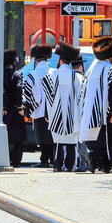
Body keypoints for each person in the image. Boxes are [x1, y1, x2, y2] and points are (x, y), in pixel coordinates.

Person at [80, 37, 112, 174]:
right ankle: (94, 157)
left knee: (98, 138)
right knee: (108, 139)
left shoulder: (93, 70)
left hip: (92, 109)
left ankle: (105, 165)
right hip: (106, 110)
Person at [42, 42, 83, 172]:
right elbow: (80, 96)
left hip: (56, 112)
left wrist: (48, 112)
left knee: (59, 141)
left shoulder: (52, 75)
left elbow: (47, 93)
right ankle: (70, 166)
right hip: (72, 113)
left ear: (60, 61)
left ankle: (57, 165)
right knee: (71, 142)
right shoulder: (76, 77)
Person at [23, 44, 54, 168]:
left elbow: (27, 92)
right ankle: (53, 159)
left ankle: (44, 160)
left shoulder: (32, 74)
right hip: (52, 110)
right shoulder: (54, 72)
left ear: (36, 61)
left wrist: (32, 106)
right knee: (51, 136)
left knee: (41, 137)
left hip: (39, 110)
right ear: (47, 60)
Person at [3, 49, 26, 167]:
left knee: (4, 137)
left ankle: (6, 159)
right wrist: (19, 106)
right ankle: (16, 161)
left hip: (4, 110)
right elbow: (18, 89)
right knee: (18, 138)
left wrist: (3, 105)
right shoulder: (17, 74)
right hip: (15, 110)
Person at [71, 54, 88, 172]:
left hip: (71, 112)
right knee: (81, 139)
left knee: (73, 140)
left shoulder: (69, 78)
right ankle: (85, 161)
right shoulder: (84, 79)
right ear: (81, 66)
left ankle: (80, 162)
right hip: (83, 111)